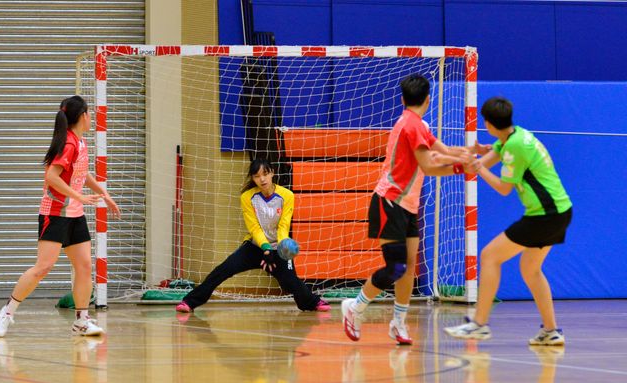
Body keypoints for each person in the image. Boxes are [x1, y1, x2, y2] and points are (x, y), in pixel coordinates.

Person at [341, 74, 474, 345]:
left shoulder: (417, 124)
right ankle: (354, 308)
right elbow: (429, 166)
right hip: (390, 202)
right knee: (396, 267)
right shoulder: (412, 126)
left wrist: (467, 153)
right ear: (428, 100)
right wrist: (462, 168)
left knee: (409, 266)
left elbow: (442, 149)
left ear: (403, 99)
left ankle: (399, 323)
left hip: (408, 206)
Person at [444, 96, 572, 345]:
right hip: (560, 212)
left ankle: (479, 324)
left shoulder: (515, 147)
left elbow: (503, 188)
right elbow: (484, 160)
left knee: (490, 256)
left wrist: (477, 168)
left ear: (488, 124)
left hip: (545, 215)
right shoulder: (515, 135)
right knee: (531, 269)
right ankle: (551, 331)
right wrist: (472, 157)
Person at [0, 95, 121, 338]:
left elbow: (82, 173)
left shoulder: (80, 142)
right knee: (43, 267)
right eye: (89, 112)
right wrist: (79, 196)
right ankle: (6, 313)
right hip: (55, 212)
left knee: (84, 266)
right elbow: (51, 176)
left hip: (75, 215)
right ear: (82, 116)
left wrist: (105, 194)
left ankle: (82, 320)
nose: (91, 117)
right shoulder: (68, 143)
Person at [176, 158, 330, 313]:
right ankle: (189, 302)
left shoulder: (287, 195)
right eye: (257, 176)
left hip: (279, 247)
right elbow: (254, 228)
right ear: (253, 178)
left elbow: (284, 226)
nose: (262, 179)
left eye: (265, 174)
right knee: (223, 270)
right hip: (255, 246)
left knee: (290, 282)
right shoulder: (247, 197)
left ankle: (311, 303)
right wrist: (266, 248)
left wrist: (281, 247)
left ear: (272, 173)